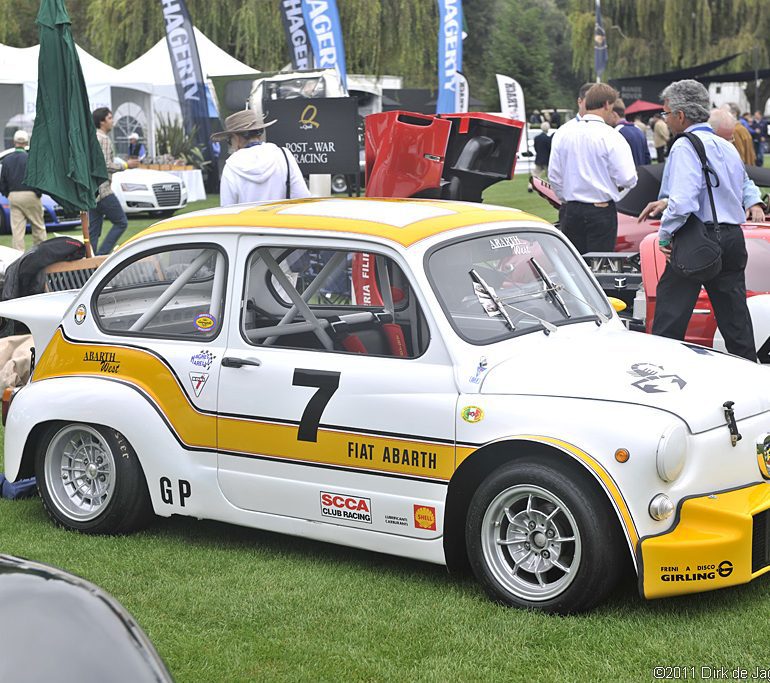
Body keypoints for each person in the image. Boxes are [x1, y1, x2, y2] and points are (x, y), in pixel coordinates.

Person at [637, 80, 761, 362]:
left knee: (669, 318)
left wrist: (665, 237)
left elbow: (684, 201)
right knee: (736, 322)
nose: (665, 120)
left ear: (680, 115)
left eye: (667, 114)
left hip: (698, 238)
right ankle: (753, 380)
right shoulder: (725, 145)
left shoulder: (684, 146)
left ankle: (664, 376)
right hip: (732, 237)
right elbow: (734, 186)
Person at [548, 83, 637, 254]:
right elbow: (627, 178)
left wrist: (566, 198)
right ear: (606, 104)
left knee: (575, 266)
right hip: (600, 209)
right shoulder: (611, 136)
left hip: (571, 208)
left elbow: (554, 175)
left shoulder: (564, 133)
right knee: (600, 266)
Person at [212, 110, 310, 206]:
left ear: (236, 138)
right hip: (282, 221)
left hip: (247, 222)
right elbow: (302, 197)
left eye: (229, 140)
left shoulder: (231, 166)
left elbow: (227, 209)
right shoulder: (284, 155)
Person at [90, 107, 138, 255]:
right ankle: (102, 256)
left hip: (92, 192)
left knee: (93, 231)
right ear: (102, 121)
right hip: (104, 190)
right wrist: (125, 165)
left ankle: (89, 263)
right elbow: (104, 165)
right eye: (110, 118)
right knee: (121, 222)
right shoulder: (103, 139)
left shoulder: (92, 137)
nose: (113, 121)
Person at [0, 130, 45, 252]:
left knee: (17, 230)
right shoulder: (31, 158)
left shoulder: (7, 160)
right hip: (31, 194)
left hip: (14, 196)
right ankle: (40, 253)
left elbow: (2, 181)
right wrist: (38, 193)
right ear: (26, 142)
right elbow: (38, 179)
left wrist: (7, 194)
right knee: (38, 226)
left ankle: (17, 256)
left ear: (14, 142)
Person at [613, 99, 651, 165]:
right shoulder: (638, 130)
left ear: (614, 114)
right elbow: (647, 158)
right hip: (641, 172)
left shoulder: (616, 132)